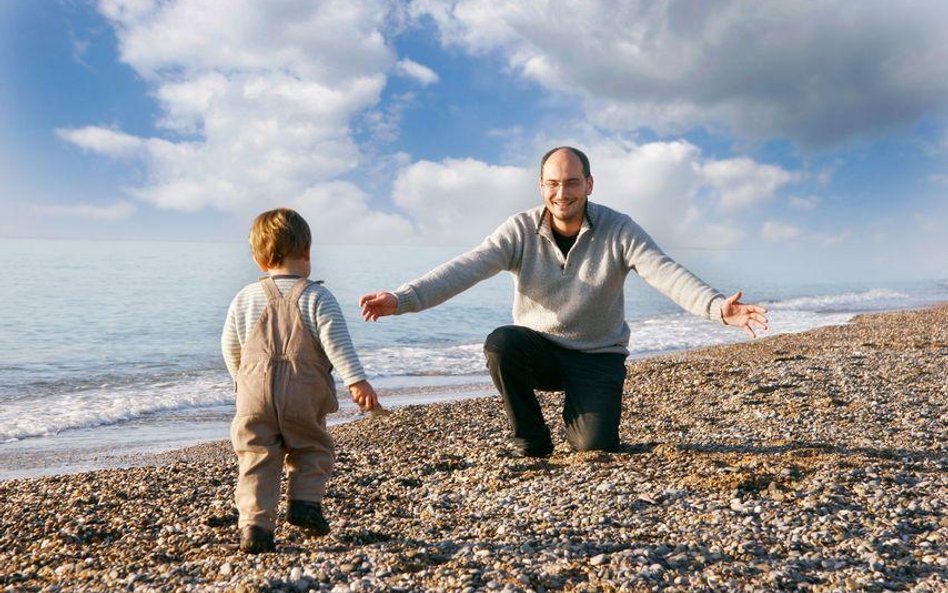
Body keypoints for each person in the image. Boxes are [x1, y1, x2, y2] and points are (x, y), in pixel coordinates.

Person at [360, 146, 767, 458]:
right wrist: (402, 299)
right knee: (502, 343)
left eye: (572, 182)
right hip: (541, 352)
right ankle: (532, 442)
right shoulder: (520, 229)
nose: (561, 193)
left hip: (597, 356)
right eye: (553, 184)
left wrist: (718, 308)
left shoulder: (618, 229)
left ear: (589, 184)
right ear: (541, 187)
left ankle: (584, 423)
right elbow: (467, 267)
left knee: (594, 449)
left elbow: (665, 272)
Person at [222, 208, 380, 554]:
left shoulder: (245, 297)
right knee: (312, 447)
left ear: (259, 259)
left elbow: (231, 346)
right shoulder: (317, 296)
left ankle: (255, 528)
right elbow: (337, 343)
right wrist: (357, 381)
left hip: (253, 395)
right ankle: (304, 503)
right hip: (303, 394)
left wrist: (241, 381)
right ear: (307, 252)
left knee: (255, 457)